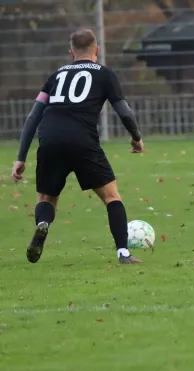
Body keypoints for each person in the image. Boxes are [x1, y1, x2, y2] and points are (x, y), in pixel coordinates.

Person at [11, 29, 145, 265]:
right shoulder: (105, 74)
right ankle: (123, 253)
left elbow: (33, 116)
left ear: (71, 52)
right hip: (82, 140)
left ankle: (43, 223)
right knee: (111, 196)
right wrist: (136, 137)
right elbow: (124, 111)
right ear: (97, 50)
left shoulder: (56, 75)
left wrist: (21, 157)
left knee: (47, 197)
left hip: (50, 139)